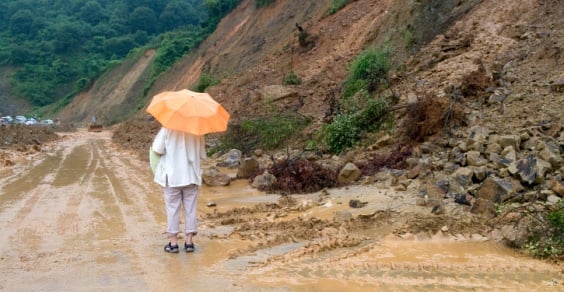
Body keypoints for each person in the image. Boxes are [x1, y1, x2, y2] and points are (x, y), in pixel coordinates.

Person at [151, 127, 206, 253]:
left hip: (172, 177)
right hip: (191, 176)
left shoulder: (167, 129)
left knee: (172, 209)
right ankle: (189, 242)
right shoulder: (197, 130)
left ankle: (173, 243)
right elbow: (202, 154)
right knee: (190, 209)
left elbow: (157, 150)